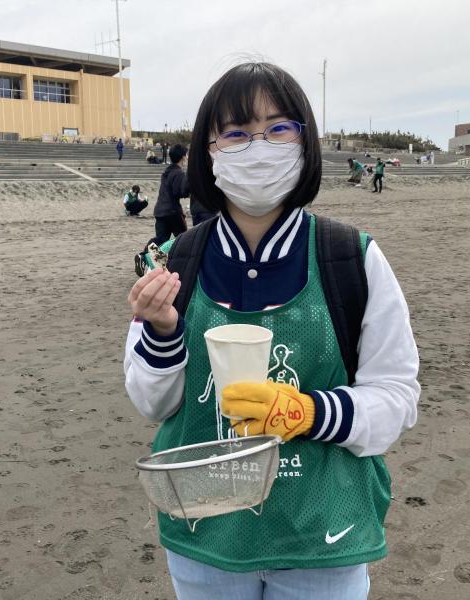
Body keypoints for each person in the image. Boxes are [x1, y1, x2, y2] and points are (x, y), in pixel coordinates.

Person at [124, 61, 419, 599]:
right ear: (209, 150)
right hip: (205, 533)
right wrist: (162, 331)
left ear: (304, 143)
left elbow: (396, 397)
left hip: (324, 535)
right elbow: (152, 403)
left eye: (278, 128)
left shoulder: (351, 258)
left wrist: (310, 412)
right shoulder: (175, 262)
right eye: (236, 132)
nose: (258, 146)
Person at [134, 143, 189, 275]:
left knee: (161, 239)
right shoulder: (178, 173)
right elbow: (180, 192)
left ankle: (145, 257)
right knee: (185, 239)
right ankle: (185, 268)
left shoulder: (167, 171)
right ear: (183, 157)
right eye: (186, 155)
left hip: (160, 210)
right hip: (173, 211)